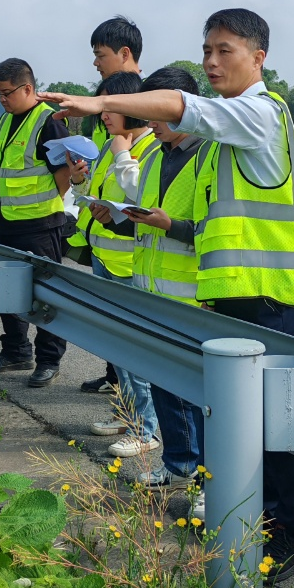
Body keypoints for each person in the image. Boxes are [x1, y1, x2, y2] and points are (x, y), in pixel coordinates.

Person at [40, 8, 294, 582]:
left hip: (275, 296)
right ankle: (260, 525)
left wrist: (99, 106)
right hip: (236, 298)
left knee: (280, 431)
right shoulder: (223, 141)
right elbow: (194, 203)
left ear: (258, 57)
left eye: (225, 51)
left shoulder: (263, 113)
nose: (212, 61)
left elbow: (180, 106)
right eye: (207, 50)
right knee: (246, 429)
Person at [123, 67, 211, 495]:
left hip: (195, 299)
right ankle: (177, 466)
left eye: (156, 110)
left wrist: (170, 224)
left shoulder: (210, 156)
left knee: (199, 398)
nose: (149, 121)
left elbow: (218, 232)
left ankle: (205, 483)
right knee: (165, 389)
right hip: (154, 295)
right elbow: (145, 221)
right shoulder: (156, 154)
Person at [71, 72, 162, 457]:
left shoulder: (149, 148)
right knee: (119, 349)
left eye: (110, 105)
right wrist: (80, 186)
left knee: (136, 350)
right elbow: (102, 201)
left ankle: (147, 428)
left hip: (132, 265)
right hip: (107, 259)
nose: (103, 114)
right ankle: (128, 415)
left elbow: (142, 199)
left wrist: (122, 153)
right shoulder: (114, 147)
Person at [0, 58, 72, 388]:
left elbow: (63, 175)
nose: (3, 99)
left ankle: (49, 359)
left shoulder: (48, 121)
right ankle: (16, 350)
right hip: (7, 222)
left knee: (45, 296)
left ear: (28, 88)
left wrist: (47, 203)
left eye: (7, 92)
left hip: (41, 225)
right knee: (7, 291)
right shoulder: (6, 121)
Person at [72, 16, 144, 395]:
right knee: (116, 335)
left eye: (100, 55)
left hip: (130, 251)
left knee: (135, 342)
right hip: (103, 237)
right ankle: (120, 388)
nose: (96, 63)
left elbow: (140, 186)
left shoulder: (146, 107)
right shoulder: (108, 108)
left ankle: (134, 409)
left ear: (124, 53)